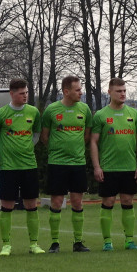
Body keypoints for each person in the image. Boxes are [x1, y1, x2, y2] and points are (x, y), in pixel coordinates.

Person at [0, 78, 45, 256]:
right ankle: (6, 244)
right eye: (21, 93)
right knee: (7, 205)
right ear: (12, 94)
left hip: (28, 165)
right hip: (9, 167)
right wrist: (0, 153)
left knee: (31, 204)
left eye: (26, 92)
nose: (25, 96)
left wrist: (29, 147)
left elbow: (36, 133)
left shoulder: (33, 112)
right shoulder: (1, 114)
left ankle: (34, 244)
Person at [89, 78, 137, 250]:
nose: (122, 94)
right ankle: (107, 241)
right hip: (108, 168)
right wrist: (97, 167)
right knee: (109, 201)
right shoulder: (100, 115)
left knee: (128, 200)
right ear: (109, 92)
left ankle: (129, 240)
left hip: (129, 167)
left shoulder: (134, 114)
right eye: (118, 91)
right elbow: (93, 142)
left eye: (124, 91)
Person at [41, 75, 93, 253]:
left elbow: (87, 136)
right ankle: (54, 243)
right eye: (77, 89)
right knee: (56, 202)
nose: (81, 92)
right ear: (66, 91)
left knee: (77, 202)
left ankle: (78, 242)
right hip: (57, 163)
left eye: (81, 89)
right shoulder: (52, 110)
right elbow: (44, 136)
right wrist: (58, 150)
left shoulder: (85, 109)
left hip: (77, 163)